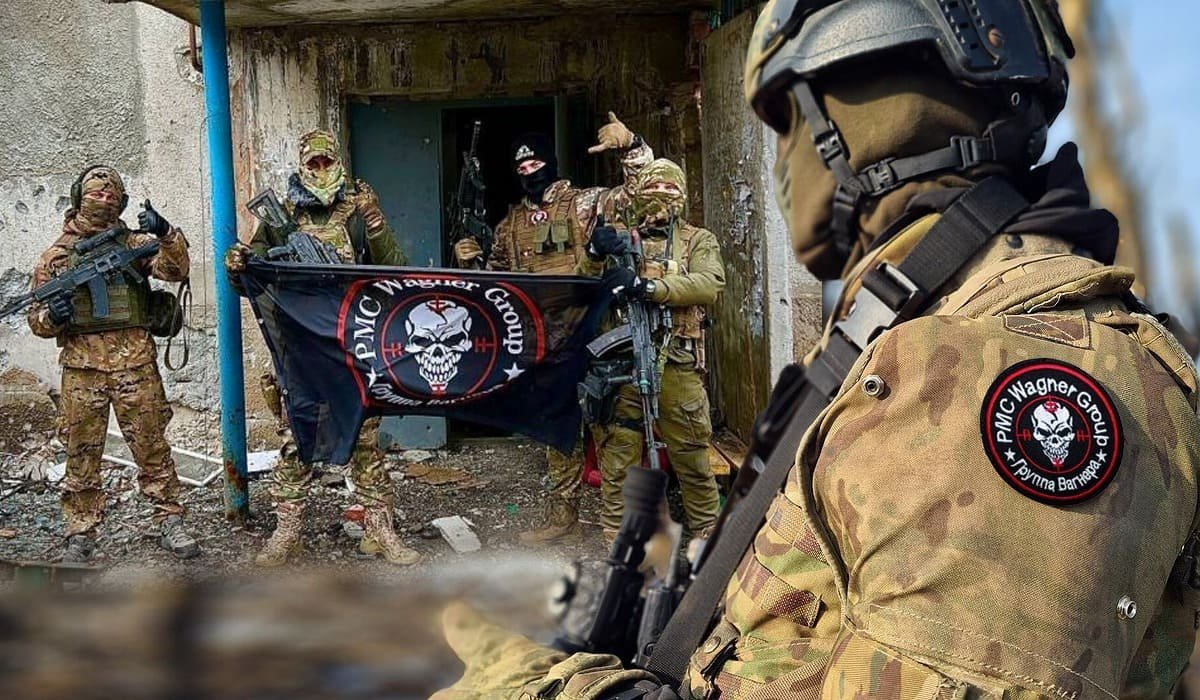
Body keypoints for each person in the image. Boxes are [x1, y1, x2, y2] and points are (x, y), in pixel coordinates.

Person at [431, 1, 1200, 698]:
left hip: (669, 364)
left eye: (787, 129)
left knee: (689, 465)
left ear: (859, 125)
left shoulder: (990, 371)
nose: (779, 164)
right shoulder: (909, 318)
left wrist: (554, 691)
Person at [453, 113, 655, 546]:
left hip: (595, 339)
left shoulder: (584, 204)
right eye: (522, 167)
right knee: (558, 436)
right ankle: (562, 517)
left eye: (536, 163)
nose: (530, 172)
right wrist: (469, 261)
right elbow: (496, 288)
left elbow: (640, 196)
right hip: (547, 344)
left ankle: (617, 527)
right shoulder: (510, 227)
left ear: (551, 162)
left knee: (612, 434)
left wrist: (633, 146)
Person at [225, 128, 418, 567]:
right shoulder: (281, 216)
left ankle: (380, 531)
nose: (319, 169)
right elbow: (251, 278)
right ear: (301, 166)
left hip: (353, 340)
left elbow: (396, 269)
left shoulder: (358, 209)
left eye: (326, 161)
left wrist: (373, 219)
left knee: (364, 440)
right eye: (312, 163)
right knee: (298, 439)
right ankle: (287, 533)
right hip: (300, 344)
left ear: (338, 163)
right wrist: (237, 266)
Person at [27, 165, 198, 563]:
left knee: (152, 446)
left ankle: (169, 518)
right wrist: (54, 315)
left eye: (111, 196)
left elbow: (177, 271)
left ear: (121, 202)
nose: (103, 201)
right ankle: (81, 530)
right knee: (81, 453)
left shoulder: (134, 244)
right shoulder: (57, 257)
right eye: (95, 194)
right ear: (78, 198)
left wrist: (166, 234)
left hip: (135, 364)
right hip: (82, 370)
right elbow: (36, 322)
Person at [580, 158, 725, 541]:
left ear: (683, 195)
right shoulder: (618, 238)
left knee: (691, 452)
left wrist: (648, 288)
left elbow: (708, 284)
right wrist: (594, 253)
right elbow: (581, 287)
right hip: (622, 364)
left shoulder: (697, 240)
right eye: (653, 187)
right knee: (619, 452)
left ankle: (706, 530)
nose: (661, 194)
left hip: (676, 362)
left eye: (670, 188)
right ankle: (618, 532)